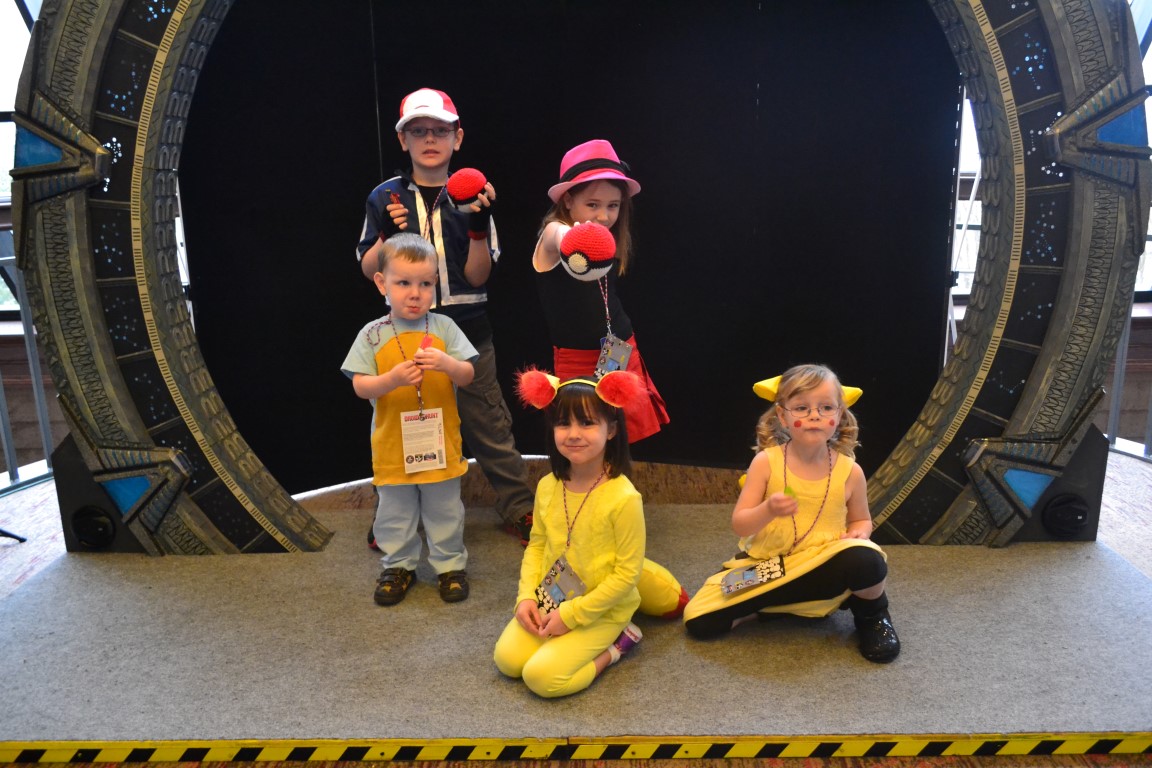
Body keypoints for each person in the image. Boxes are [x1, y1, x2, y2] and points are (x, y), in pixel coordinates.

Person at [355, 87, 535, 543]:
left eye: (440, 130)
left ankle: (518, 505)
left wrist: (477, 226)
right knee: (402, 424)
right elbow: (369, 269)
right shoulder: (385, 196)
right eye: (418, 131)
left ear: (458, 137)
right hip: (403, 336)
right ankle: (392, 517)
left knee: (488, 423)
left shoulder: (473, 193)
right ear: (403, 140)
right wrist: (385, 235)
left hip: (466, 333)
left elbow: (478, 276)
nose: (430, 139)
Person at [682, 364, 901, 663]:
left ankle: (873, 614)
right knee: (699, 620)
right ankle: (787, 606)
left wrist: (859, 533)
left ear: (839, 415)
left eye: (826, 407)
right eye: (801, 408)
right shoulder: (766, 462)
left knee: (867, 559)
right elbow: (741, 524)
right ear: (782, 416)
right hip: (771, 566)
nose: (814, 415)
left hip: (822, 561)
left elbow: (861, 519)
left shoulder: (851, 471)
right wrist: (768, 509)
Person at [493, 369, 649, 698]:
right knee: (507, 661)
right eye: (563, 424)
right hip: (553, 595)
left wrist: (571, 616)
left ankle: (618, 645)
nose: (573, 434)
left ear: (611, 430)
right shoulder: (547, 486)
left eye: (587, 423)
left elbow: (627, 575)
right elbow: (536, 547)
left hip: (603, 609)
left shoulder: (624, 498)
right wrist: (525, 597)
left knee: (541, 678)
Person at [341, 233, 478, 606]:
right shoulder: (372, 334)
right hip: (392, 447)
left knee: (444, 509)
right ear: (382, 283)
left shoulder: (444, 328)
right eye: (403, 283)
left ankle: (450, 566)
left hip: (439, 444)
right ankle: (398, 565)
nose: (415, 294)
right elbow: (360, 386)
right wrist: (391, 380)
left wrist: (447, 364)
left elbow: (468, 374)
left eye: (425, 284)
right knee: (395, 512)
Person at [532, 139, 669, 444]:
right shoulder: (554, 234)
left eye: (613, 206)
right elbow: (558, 235)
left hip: (618, 350)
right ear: (568, 200)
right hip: (576, 361)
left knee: (619, 441)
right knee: (581, 440)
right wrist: (575, 237)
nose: (604, 216)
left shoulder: (608, 239)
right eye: (592, 205)